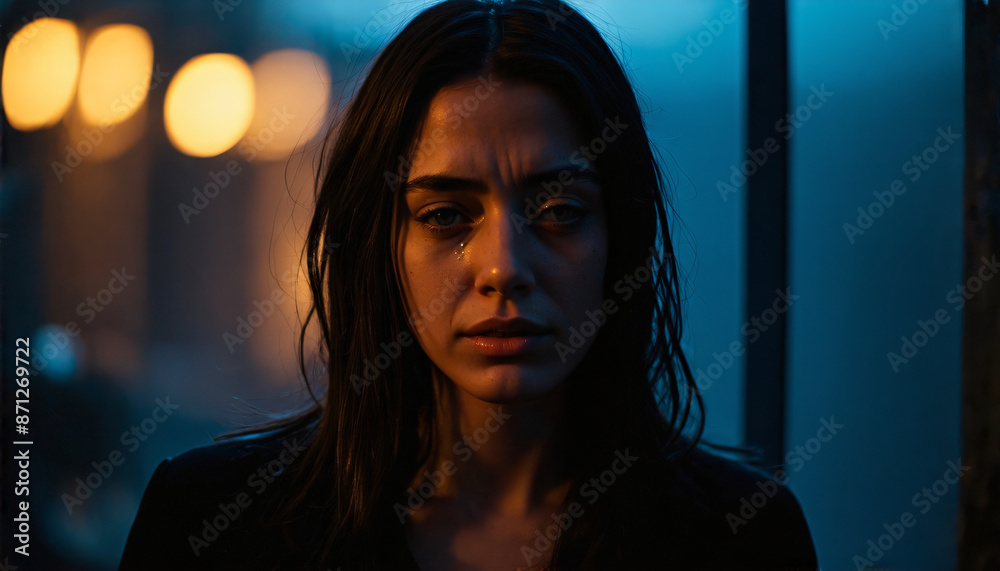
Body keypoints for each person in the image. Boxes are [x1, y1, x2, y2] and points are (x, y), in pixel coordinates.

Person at [119, 0, 818, 569]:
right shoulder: (213, 524)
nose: (503, 267)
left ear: (619, 237)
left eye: (559, 213)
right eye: (446, 215)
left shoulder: (738, 537)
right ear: (381, 243)